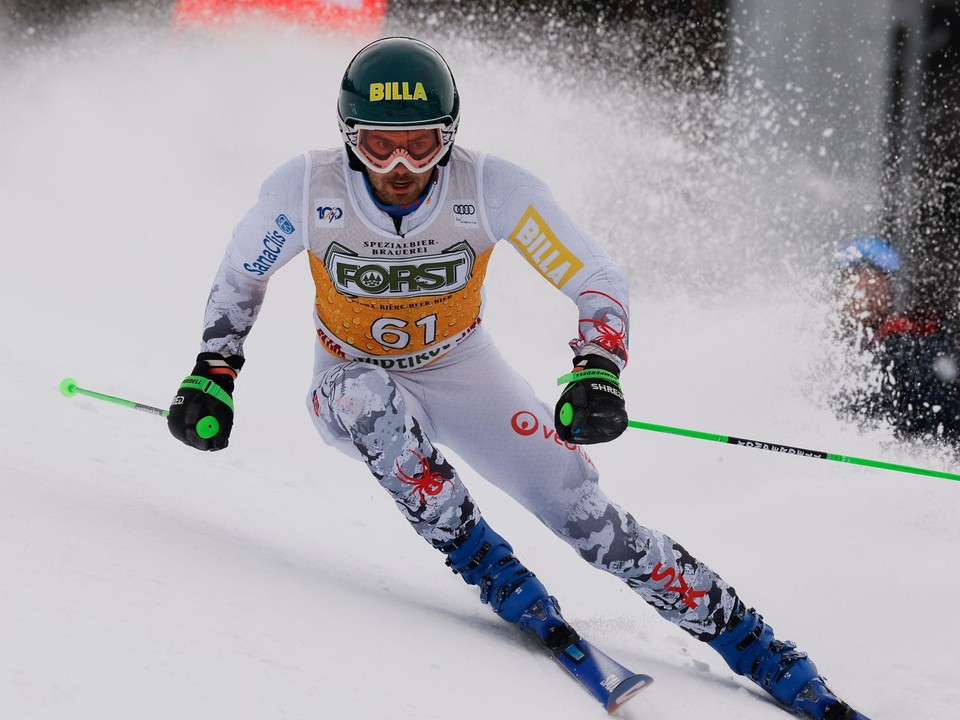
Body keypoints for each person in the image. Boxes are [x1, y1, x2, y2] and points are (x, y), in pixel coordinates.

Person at [167, 37, 869, 719]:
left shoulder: (490, 187)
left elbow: (596, 275)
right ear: (349, 135)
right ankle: (492, 569)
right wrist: (215, 371)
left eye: (424, 143)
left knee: (591, 520)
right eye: (380, 145)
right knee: (370, 399)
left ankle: (759, 647)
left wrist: (598, 367)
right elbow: (242, 275)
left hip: (460, 367)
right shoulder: (306, 186)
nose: (402, 165)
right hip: (348, 378)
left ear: (452, 135)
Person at [832, 235, 960, 445]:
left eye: (870, 283)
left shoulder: (909, 344)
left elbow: (934, 415)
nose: (858, 294)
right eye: (849, 280)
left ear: (889, 288)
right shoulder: (851, 340)